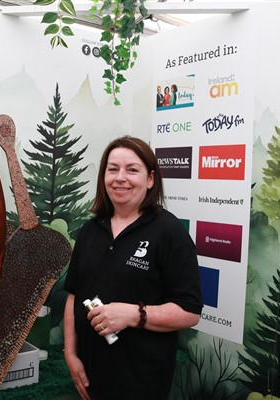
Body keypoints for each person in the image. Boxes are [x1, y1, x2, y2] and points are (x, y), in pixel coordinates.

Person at [63, 136, 203, 400]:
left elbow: (189, 312)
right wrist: (70, 354)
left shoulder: (169, 232)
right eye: (113, 169)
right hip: (90, 378)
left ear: (150, 179)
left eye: (132, 170)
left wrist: (133, 314)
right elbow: (73, 295)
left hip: (141, 383)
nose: (120, 178)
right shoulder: (90, 230)